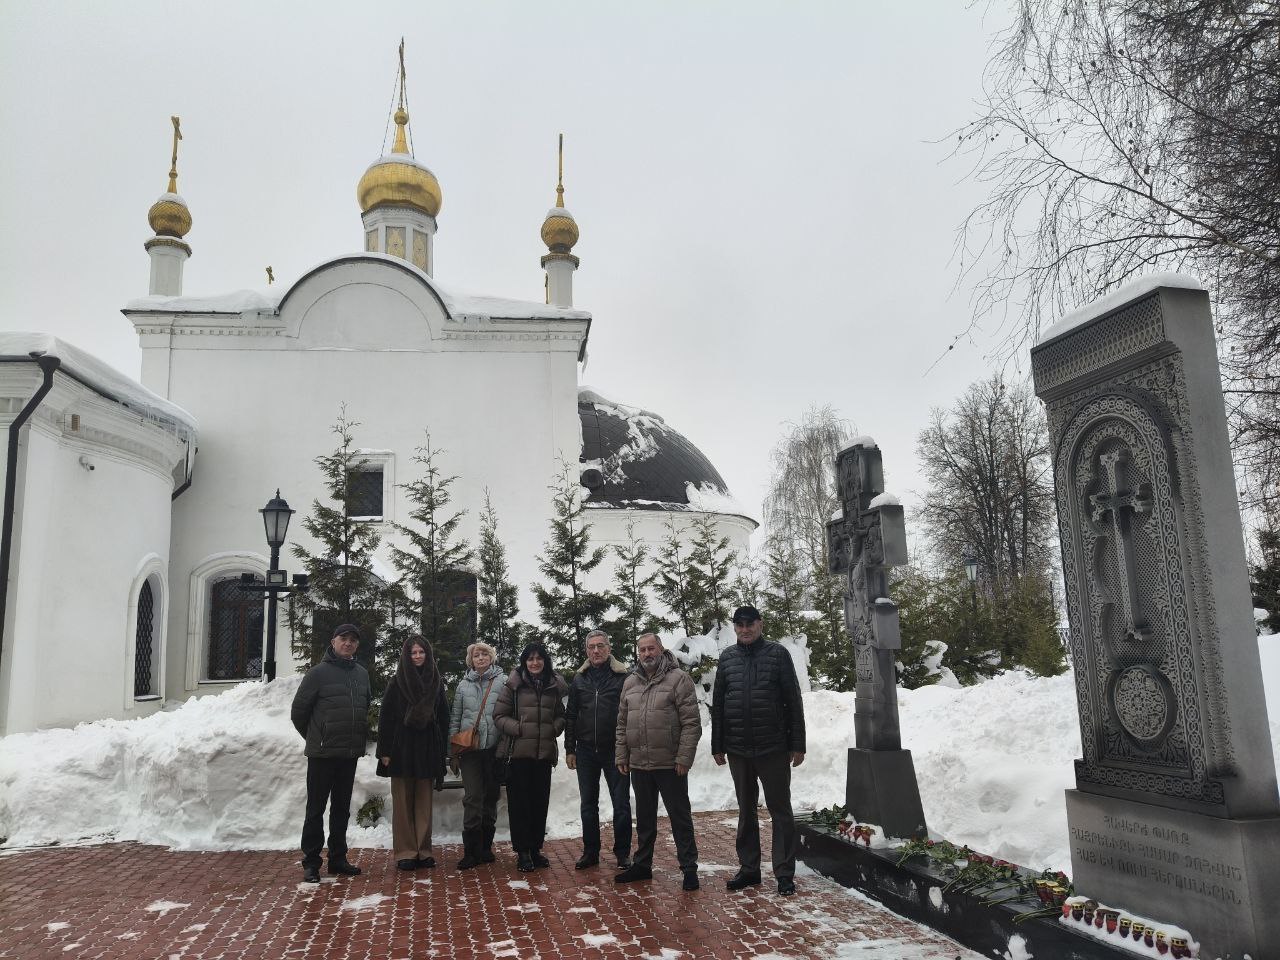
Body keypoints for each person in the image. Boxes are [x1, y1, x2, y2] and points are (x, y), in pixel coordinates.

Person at [711, 605, 806, 896]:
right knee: (746, 811)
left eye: (749, 623)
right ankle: (749, 869)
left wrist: (798, 745)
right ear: (734, 627)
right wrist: (718, 745)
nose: (744, 629)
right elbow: (719, 705)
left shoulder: (777, 655)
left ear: (760, 624)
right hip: (739, 749)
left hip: (773, 747)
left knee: (780, 811)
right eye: (739, 624)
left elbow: (793, 700)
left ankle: (784, 872)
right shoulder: (727, 658)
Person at [614, 632, 701, 891]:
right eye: (642, 650)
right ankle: (642, 865)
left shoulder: (678, 679)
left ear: (661, 650)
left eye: (651, 649)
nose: (647, 654)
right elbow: (621, 723)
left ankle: (689, 868)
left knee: (680, 818)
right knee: (644, 819)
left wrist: (684, 757)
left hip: (670, 764)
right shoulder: (630, 682)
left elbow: (691, 723)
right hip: (640, 764)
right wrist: (622, 755)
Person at [291, 623, 371, 883]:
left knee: (341, 809)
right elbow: (299, 713)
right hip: (322, 754)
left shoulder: (361, 674)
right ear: (333, 641)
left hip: (348, 754)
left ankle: (338, 858)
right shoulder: (318, 673)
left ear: (356, 645)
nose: (347, 643)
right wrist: (317, 737)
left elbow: (364, 707)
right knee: (315, 809)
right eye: (343, 638)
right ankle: (311, 863)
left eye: (352, 640)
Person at [492, 641, 567, 872]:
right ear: (524, 662)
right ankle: (522, 851)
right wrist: (518, 728)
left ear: (545, 661)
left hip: (543, 755)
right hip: (518, 755)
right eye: (530, 659)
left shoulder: (553, 685)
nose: (535, 663)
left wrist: (554, 728)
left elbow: (561, 716)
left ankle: (536, 848)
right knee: (520, 805)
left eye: (539, 658)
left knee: (539, 803)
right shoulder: (513, 685)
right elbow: (498, 715)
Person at [376, 635, 449, 871]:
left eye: (421, 652)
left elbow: (444, 718)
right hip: (401, 747)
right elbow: (385, 717)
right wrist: (385, 750)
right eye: (413, 653)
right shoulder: (397, 682)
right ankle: (406, 851)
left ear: (428, 655)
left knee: (424, 801)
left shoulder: (436, 682)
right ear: (406, 657)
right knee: (403, 801)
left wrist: (443, 750)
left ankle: (424, 850)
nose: (417, 656)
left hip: (428, 746)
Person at [564, 629, 633, 870]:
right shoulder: (579, 679)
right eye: (591, 646)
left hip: (615, 751)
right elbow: (571, 715)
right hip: (585, 751)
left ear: (609, 648)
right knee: (588, 805)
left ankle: (623, 852)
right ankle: (590, 851)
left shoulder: (623, 678)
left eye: (600, 646)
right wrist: (569, 748)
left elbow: (629, 715)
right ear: (586, 651)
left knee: (621, 804)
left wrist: (626, 748)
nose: (596, 650)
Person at [448, 641, 504, 870]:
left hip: (494, 750)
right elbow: (456, 717)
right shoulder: (463, 685)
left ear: (491, 657)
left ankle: (486, 848)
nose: (480, 658)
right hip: (470, 750)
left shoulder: (503, 681)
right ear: (471, 660)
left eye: (484, 654)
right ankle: (470, 850)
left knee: (490, 797)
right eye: (476, 655)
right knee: (473, 797)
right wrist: (453, 751)